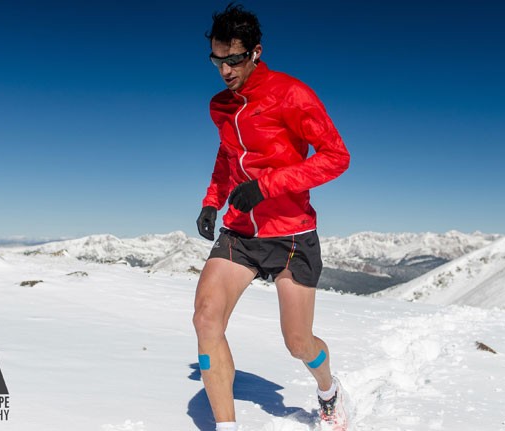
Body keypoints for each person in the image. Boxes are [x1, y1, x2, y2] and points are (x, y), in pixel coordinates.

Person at [193, 4, 351, 431]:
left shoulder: (291, 94)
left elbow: (337, 158)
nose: (225, 70)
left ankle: (328, 390)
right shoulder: (219, 107)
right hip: (242, 232)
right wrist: (213, 200)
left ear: (256, 52)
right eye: (217, 60)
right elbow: (228, 157)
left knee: (298, 342)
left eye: (234, 60)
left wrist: (267, 186)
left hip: (291, 234)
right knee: (206, 317)